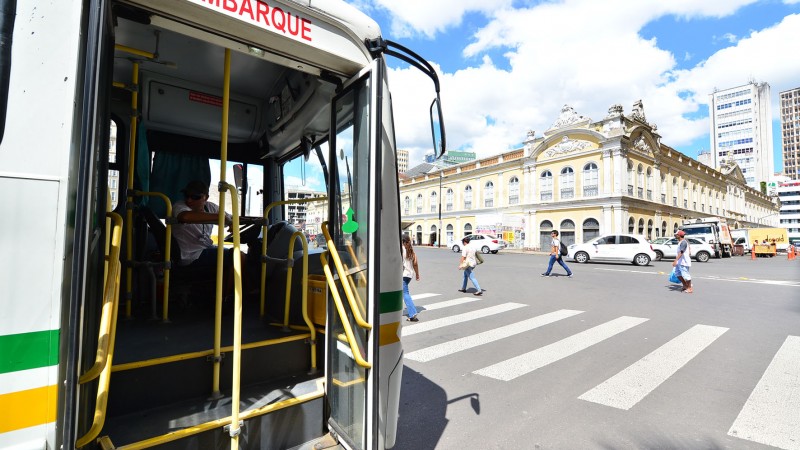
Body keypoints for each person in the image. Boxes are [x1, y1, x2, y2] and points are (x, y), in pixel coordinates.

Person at [171, 180, 236, 272]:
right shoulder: (180, 206)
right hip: (189, 256)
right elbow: (185, 217)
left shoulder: (210, 207)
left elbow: (230, 218)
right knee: (238, 256)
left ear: (206, 197)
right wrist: (221, 217)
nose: (189, 200)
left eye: (195, 197)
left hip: (205, 248)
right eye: (187, 195)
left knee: (234, 253)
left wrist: (253, 220)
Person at [401, 235, 420, 321]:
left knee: (405, 293)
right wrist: (417, 274)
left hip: (404, 274)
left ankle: (412, 313)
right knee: (402, 292)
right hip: (410, 275)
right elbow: (415, 264)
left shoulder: (402, 249)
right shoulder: (412, 251)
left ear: (403, 242)